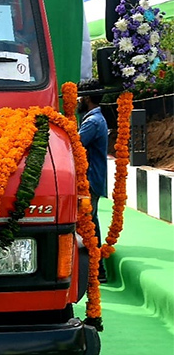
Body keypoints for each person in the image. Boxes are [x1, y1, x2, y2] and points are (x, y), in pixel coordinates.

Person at [77, 78, 109, 282]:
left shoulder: (92, 122)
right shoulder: (95, 119)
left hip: (90, 180)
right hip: (93, 179)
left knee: (89, 224)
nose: (78, 100)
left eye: (80, 96)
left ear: (87, 98)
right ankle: (97, 270)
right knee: (91, 223)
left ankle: (97, 271)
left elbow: (76, 144)